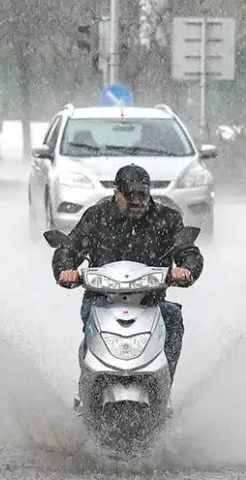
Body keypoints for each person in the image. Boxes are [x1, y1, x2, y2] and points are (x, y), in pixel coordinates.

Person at [52, 164, 204, 405]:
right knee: (92, 313)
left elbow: (188, 251)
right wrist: (65, 270)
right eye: (130, 195)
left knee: (173, 317)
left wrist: (186, 269)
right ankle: (87, 388)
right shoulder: (97, 216)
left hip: (151, 302)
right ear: (117, 192)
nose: (137, 202)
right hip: (101, 298)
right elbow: (69, 248)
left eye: (143, 195)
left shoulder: (167, 219)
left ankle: (164, 390)